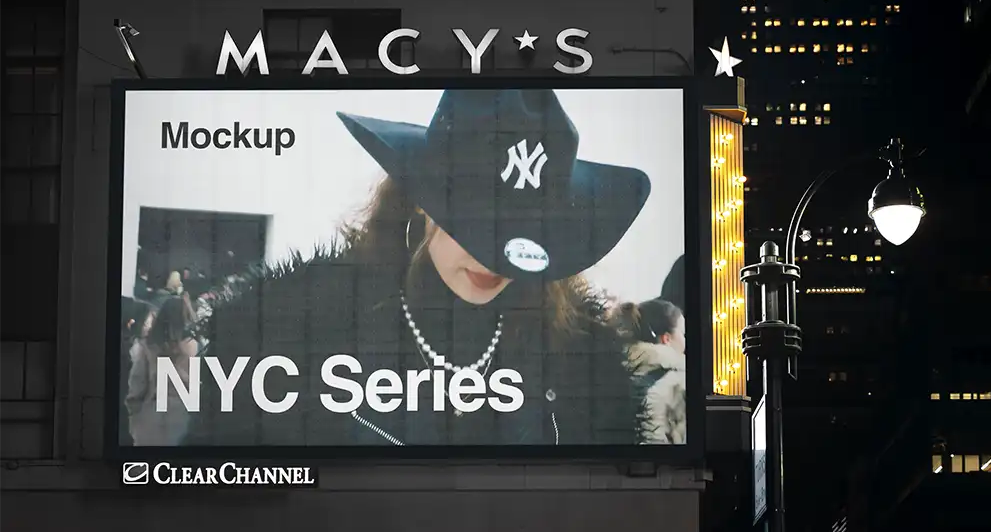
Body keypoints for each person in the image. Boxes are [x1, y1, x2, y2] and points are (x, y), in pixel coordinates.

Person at [191, 88, 653, 448]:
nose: (491, 258)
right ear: (421, 204)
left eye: (522, 233)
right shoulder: (288, 330)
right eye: (473, 226)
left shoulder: (584, 364)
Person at [125, 293, 199, 446]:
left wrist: (134, 422)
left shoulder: (147, 348)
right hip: (183, 425)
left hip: (149, 423)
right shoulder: (194, 348)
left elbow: (136, 391)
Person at [618, 285, 686, 445]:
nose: (685, 341)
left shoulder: (616, 372)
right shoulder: (679, 379)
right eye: (683, 334)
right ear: (666, 339)